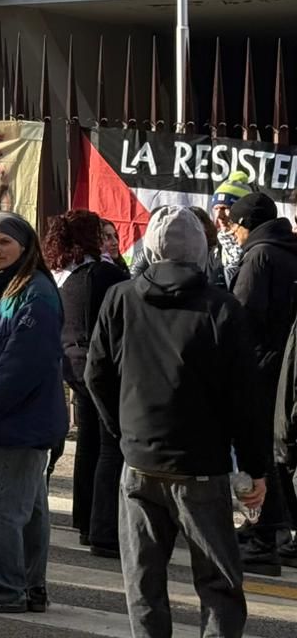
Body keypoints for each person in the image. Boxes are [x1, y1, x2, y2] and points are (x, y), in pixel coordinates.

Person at [87, 205, 267, 638]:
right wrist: (255, 467)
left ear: (150, 248)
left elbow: (96, 374)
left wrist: (123, 430)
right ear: (201, 250)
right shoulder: (221, 308)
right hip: (200, 465)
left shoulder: (121, 298)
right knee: (219, 582)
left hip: (139, 460)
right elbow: (244, 398)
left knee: (143, 580)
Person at [0, 211, 67, 613]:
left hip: (20, 418)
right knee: (30, 508)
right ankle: (30, 587)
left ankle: (4, 589)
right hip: (12, 415)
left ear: (24, 245)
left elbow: (25, 360)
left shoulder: (35, 292)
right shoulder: (3, 288)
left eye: (3, 242)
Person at [41, 209, 128, 556]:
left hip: (73, 363)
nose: (109, 241)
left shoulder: (60, 275)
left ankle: (85, 520)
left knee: (89, 441)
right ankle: (104, 530)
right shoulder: (103, 274)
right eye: (102, 234)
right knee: (110, 444)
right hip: (102, 365)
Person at [226, 191, 297, 571]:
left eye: (234, 226)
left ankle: (264, 536)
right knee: (280, 453)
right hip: (285, 365)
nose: (232, 233)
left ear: (247, 225)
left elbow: (243, 318)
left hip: (261, 368)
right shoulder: (287, 250)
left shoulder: (259, 256)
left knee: (262, 452)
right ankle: (276, 530)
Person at [212, 171, 254, 288]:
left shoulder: (256, 248)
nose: (219, 216)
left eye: (225, 208)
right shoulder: (215, 251)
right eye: (216, 209)